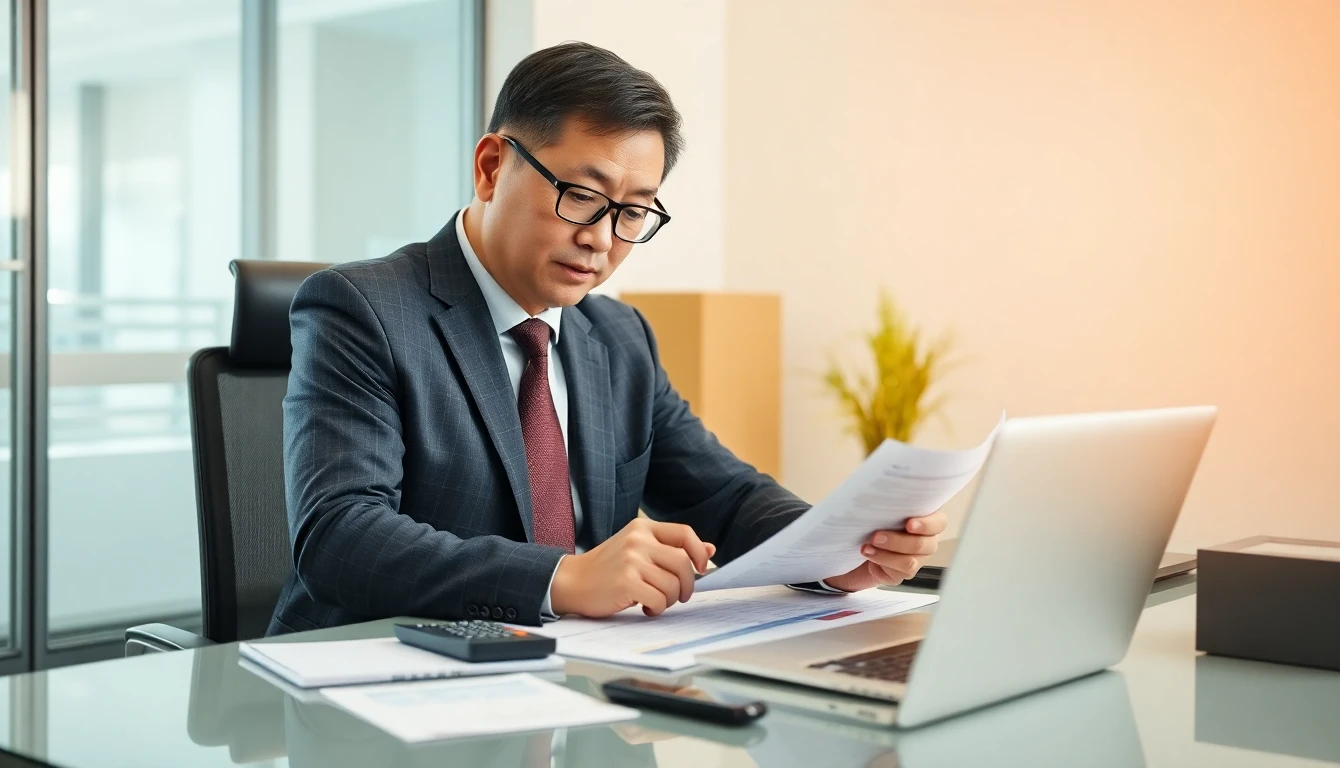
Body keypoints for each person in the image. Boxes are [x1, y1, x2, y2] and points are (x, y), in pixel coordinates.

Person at [267, 42, 946, 635]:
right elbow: (340, 536)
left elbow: (726, 498)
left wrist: (837, 554)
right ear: (491, 167)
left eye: (632, 213)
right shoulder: (363, 308)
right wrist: (562, 578)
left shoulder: (618, 337)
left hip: (570, 686)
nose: (600, 238)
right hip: (374, 687)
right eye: (581, 196)